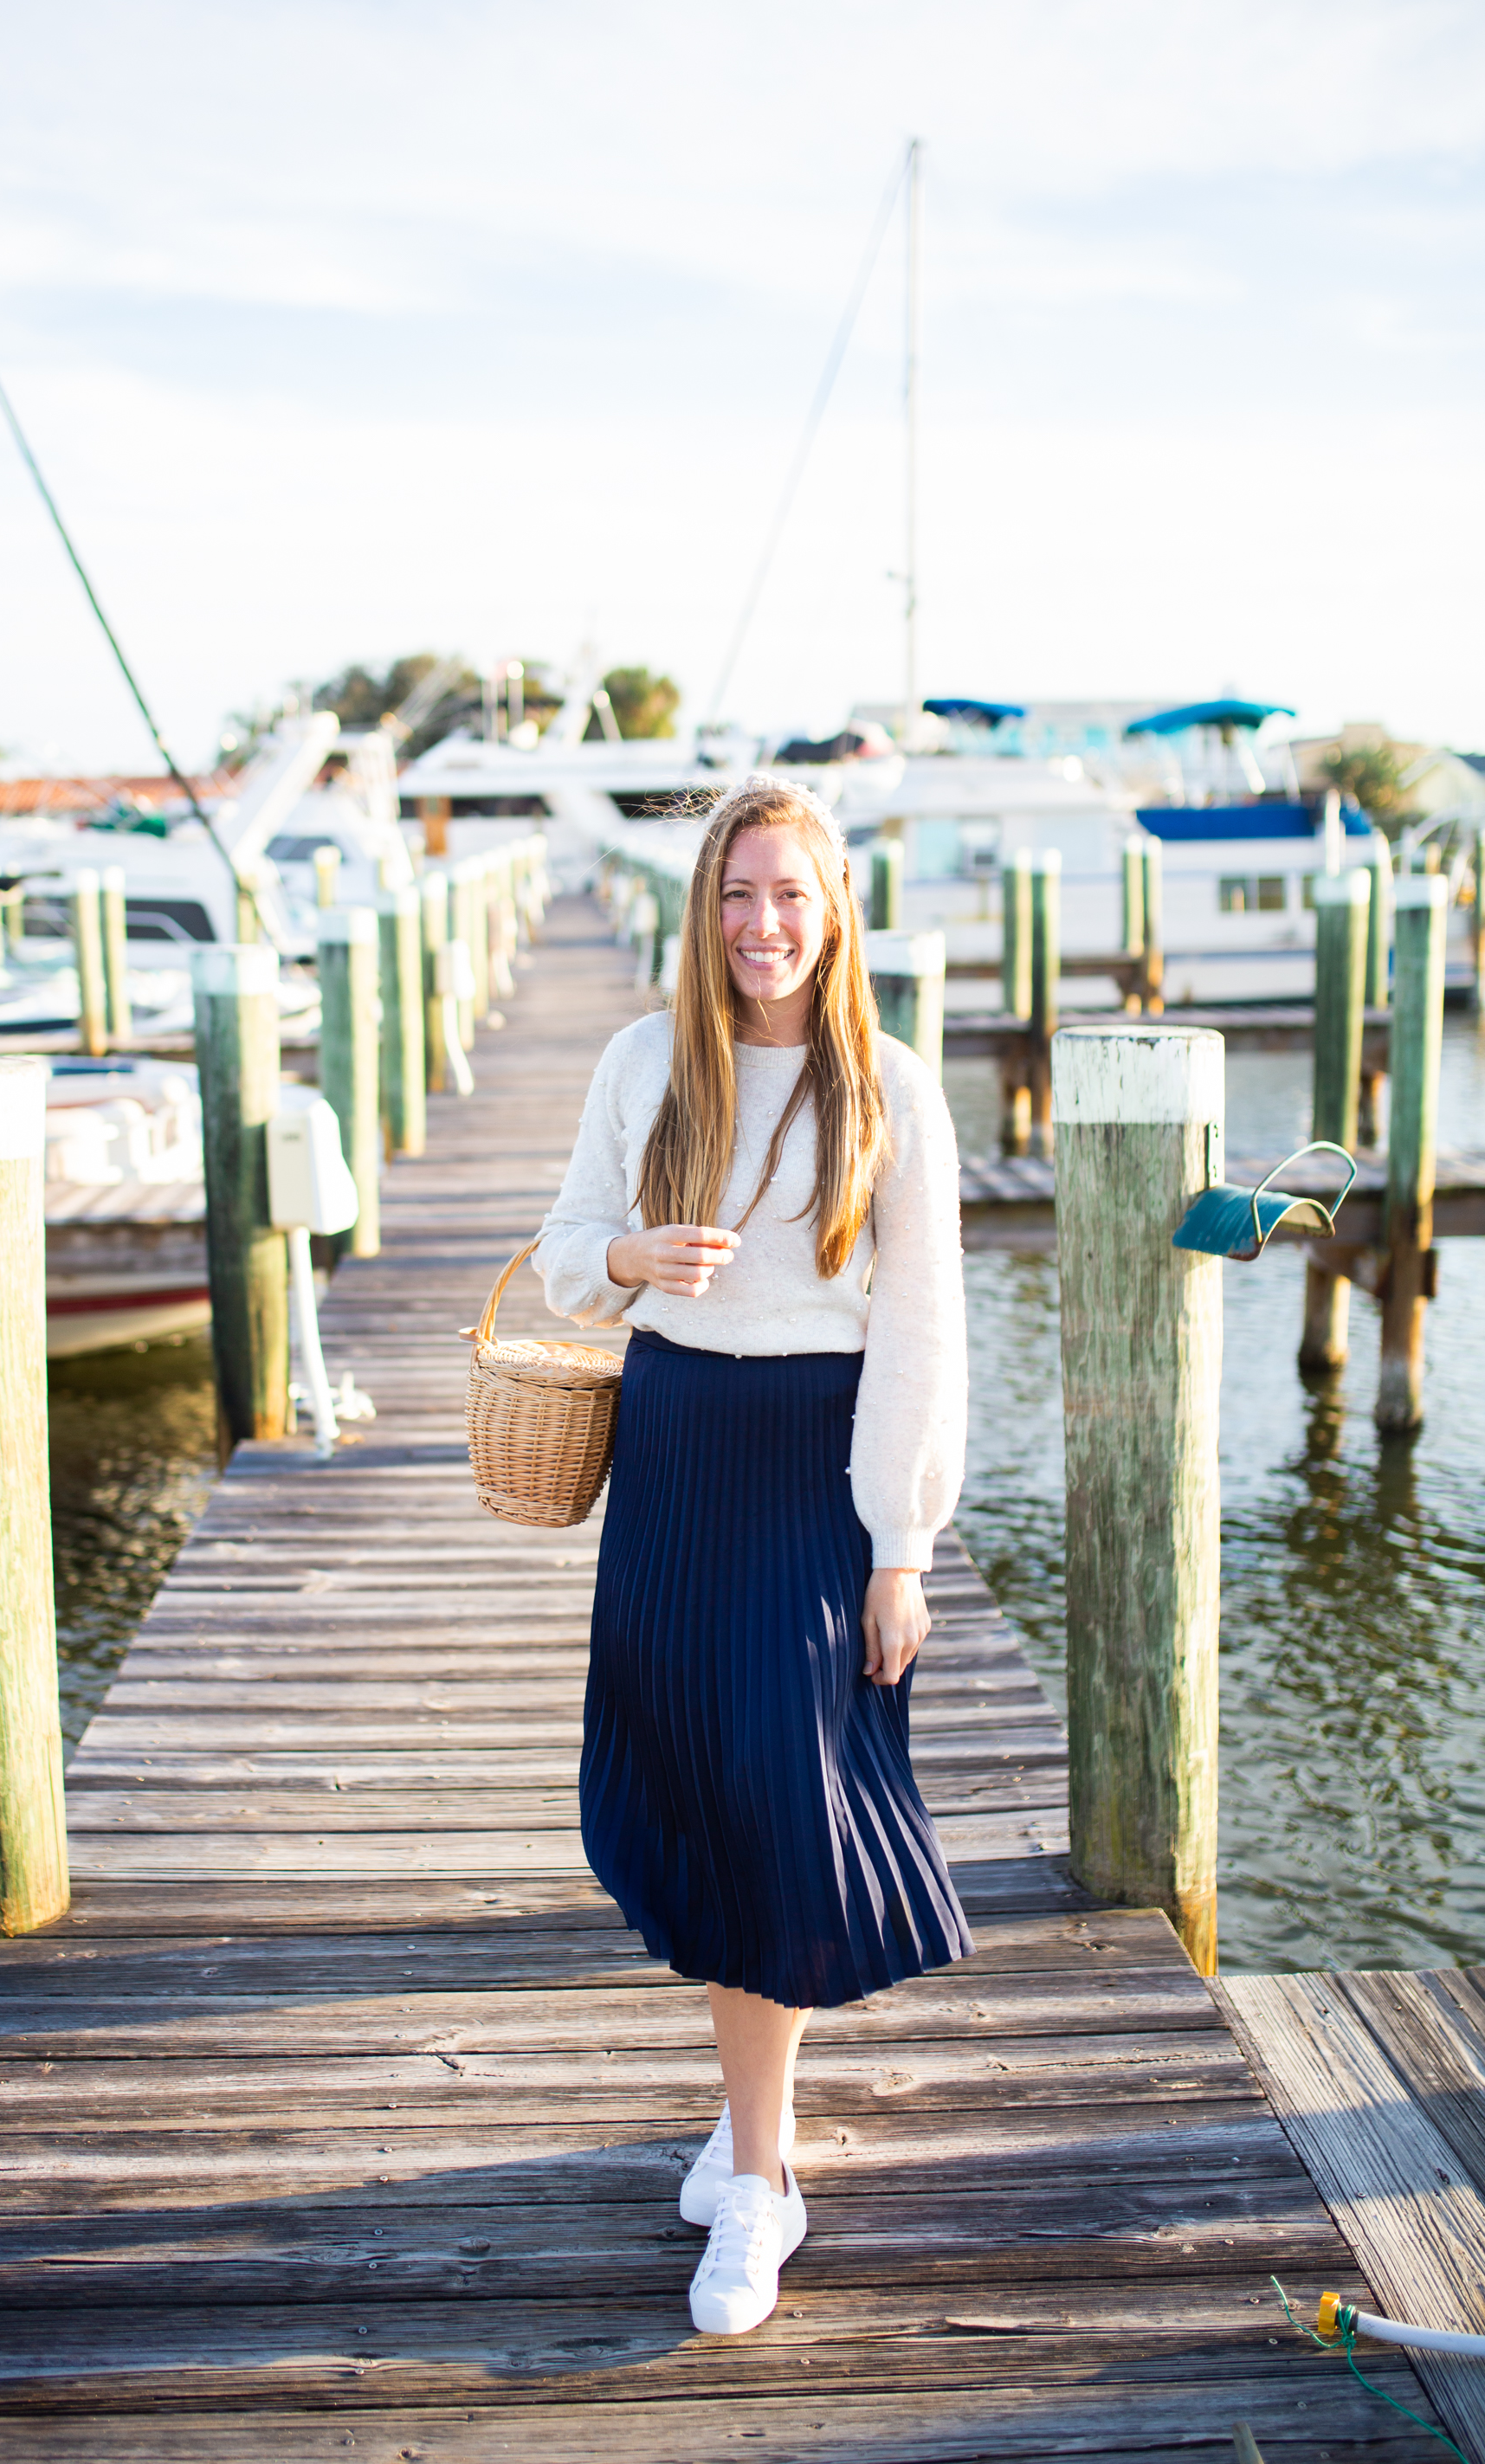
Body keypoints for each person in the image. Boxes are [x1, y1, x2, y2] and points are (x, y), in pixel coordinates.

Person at [534, 775, 972, 2338]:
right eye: (735, 894)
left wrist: (901, 1544)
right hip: (674, 1449)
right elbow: (567, 1244)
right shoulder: (648, 1060)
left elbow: (922, 1333)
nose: (762, 924)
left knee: (784, 1803)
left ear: (835, 906)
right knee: (707, 1793)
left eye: (790, 894)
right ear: (702, 909)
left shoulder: (891, 1087)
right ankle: (749, 2117)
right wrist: (629, 1257)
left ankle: (764, 2178)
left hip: (814, 1465)